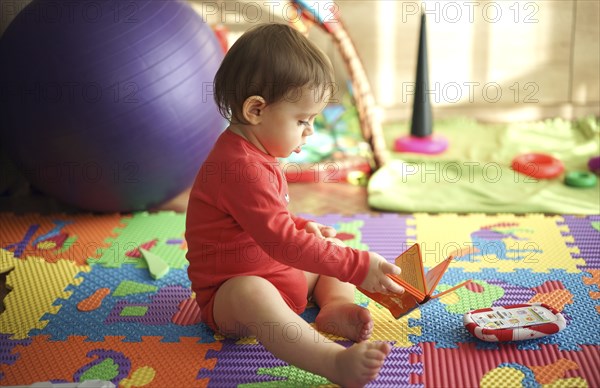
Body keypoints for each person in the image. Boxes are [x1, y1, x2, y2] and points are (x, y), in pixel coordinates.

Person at [185, 23, 404, 387]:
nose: (311, 131)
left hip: (278, 269)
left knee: (328, 246)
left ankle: (332, 307)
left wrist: (302, 228)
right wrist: (358, 267)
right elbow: (281, 241)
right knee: (252, 291)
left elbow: (267, 223)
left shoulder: (258, 152)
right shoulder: (238, 168)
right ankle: (333, 363)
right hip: (231, 298)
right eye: (302, 120)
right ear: (256, 110)